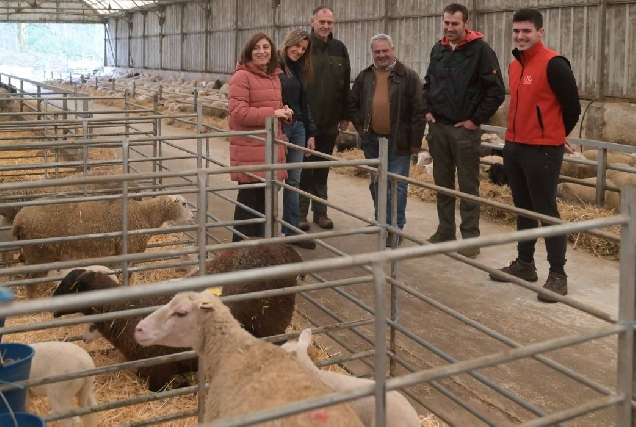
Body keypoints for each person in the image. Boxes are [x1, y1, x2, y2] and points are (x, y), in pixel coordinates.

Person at [490, 8, 581, 303]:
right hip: (514, 145)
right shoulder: (514, 65)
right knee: (523, 207)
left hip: (542, 149)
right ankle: (525, 264)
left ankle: (558, 274)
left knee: (545, 210)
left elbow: (572, 108)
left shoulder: (554, 64)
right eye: (516, 31)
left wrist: (555, 134)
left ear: (540, 32)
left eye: (526, 31)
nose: (520, 36)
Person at [422, 3, 505, 258]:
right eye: (446, 23)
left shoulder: (481, 51)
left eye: (454, 24)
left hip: (464, 131)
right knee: (443, 183)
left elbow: (496, 91)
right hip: (439, 128)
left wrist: (474, 120)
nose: (449, 28)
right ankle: (445, 231)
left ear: (466, 24)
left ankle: (470, 238)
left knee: (468, 185)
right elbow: (428, 82)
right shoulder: (439, 49)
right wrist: (427, 109)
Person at [349, 34, 425, 247]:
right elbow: (352, 103)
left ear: (393, 50)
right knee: (376, 183)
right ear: (372, 53)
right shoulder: (365, 76)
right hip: (373, 139)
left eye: (385, 51)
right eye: (377, 51)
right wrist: (362, 128)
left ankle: (395, 228)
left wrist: (415, 142)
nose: (381, 55)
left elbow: (419, 110)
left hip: (399, 140)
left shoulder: (408, 76)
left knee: (397, 185)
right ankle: (381, 221)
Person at [228, 32, 292, 242]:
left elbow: (271, 108)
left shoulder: (273, 77)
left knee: (263, 208)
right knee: (247, 207)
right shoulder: (242, 76)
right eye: (256, 48)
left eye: (265, 47)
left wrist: (284, 113)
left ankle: (257, 252)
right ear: (249, 52)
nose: (261, 52)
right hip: (250, 150)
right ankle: (238, 252)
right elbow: (239, 112)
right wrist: (273, 113)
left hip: (269, 149)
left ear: (272, 50)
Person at [298, 5, 351, 231]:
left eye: (329, 23)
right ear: (312, 22)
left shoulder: (339, 48)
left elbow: (345, 83)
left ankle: (320, 213)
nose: (326, 26)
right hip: (305, 121)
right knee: (303, 168)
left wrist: (345, 115)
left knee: (322, 167)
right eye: (322, 22)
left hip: (330, 120)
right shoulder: (302, 47)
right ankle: (300, 214)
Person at [277, 29, 317, 250]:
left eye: (303, 49)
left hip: (298, 127)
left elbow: (304, 102)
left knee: (294, 180)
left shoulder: (300, 68)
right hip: (280, 127)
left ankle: (290, 230)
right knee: (274, 179)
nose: (300, 51)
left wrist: (311, 133)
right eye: (297, 46)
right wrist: (277, 128)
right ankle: (264, 230)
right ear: (288, 42)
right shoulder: (274, 64)